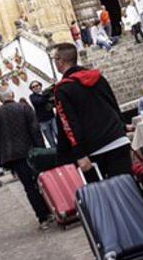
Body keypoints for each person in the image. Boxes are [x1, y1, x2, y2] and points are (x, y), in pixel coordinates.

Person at [51, 43, 131, 179]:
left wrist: (79, 154)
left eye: (54, 59)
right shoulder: (97, 77)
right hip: (118, 139)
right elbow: (113, 104)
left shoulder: (63, 89)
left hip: (95, 149)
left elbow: (69, 124)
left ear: (61, 61)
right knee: (128, 191)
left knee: (103, 196)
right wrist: (122, 127)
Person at [0, 89, 52, 227]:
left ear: (1, 100)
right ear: (13, 96)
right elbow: (35, 131)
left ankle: (43, 218)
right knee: (40, 182)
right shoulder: (24, 108)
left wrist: (0, 160)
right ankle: (49, 211)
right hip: (31, 152)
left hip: (14, 157)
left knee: (29, 187)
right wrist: (42, 150)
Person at [29, 80, 58, 148]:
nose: (36, 87)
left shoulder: (45, 93)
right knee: (50, 140)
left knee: (58, 134)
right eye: (33, 87)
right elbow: (39, 101)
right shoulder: (32, 96)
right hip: (43, 122)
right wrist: (47, 94)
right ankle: (56, 155)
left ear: (40, 86)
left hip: (52, 117)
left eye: (37, 85)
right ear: (32, 89)